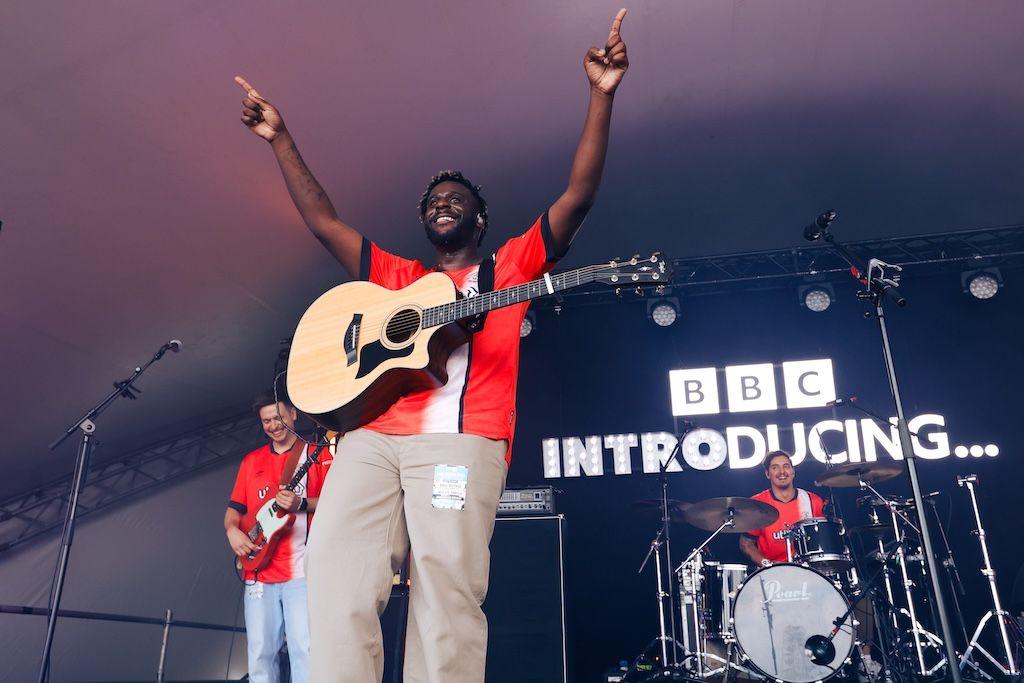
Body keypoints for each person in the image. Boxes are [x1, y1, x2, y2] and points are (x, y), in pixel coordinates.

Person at [234, 8, 629, 682]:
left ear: (479, 217)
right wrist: (280, 137)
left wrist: (600, 94)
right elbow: (324, 220)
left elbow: (578, 196)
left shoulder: (508, 266)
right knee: (335, 573)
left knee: (446, 592)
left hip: (462, 441)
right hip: (370, 438)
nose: (440, 204)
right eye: (432, 201)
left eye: (454, 198)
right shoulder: (398, 280)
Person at [225, 392, 330, 683]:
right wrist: (232, 532)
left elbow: (339, 503)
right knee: (260, 653)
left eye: (279, 417)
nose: (273, 425)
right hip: (258, 572)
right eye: (266, 421)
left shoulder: (317, 455)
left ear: (293, 414)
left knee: (304, 650)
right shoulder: (251, 461)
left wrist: (302, 504)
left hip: (301, 571)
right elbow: (234, 511)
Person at [739, 449, 827, 567]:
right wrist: (767, 564)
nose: (782, 472)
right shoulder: (757, 503)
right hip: (771, 573)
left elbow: (824, 540)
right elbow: (746, 544)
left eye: (786, 466)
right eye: (775, 467)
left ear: (793, 471)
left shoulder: (812, 501)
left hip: (808, 571)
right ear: (767, 474)